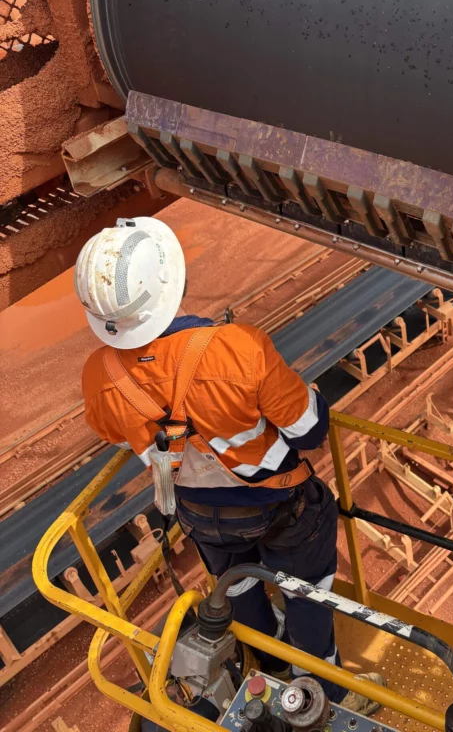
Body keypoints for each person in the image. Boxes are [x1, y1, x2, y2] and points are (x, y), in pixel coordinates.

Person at [76, 217, 384, 714]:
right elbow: (310, 431)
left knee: (237, 584)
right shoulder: (236, 348)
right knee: (307, 591)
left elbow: (114, 433)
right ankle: (322, 689)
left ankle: (268, 661)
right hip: (281, 507)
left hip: (199, 515)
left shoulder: (99, 375)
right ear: (171, 282)